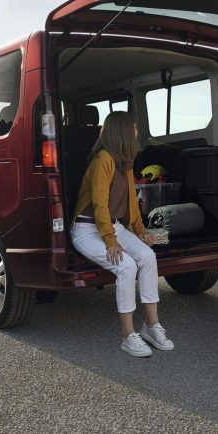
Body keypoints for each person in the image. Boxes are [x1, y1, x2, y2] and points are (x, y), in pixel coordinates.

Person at [71, 111, 175, 357]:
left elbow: (130, 201)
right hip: (87, 229)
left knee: (148, 257)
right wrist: (110, 240)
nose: (137, 131)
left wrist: (139, 230)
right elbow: (99, 204)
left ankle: (151, 325)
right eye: (135, 127)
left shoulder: (125, 161)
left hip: (113, 226)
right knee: (126, 266)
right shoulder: (102, 160)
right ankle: (128, 335)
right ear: (123, 132)